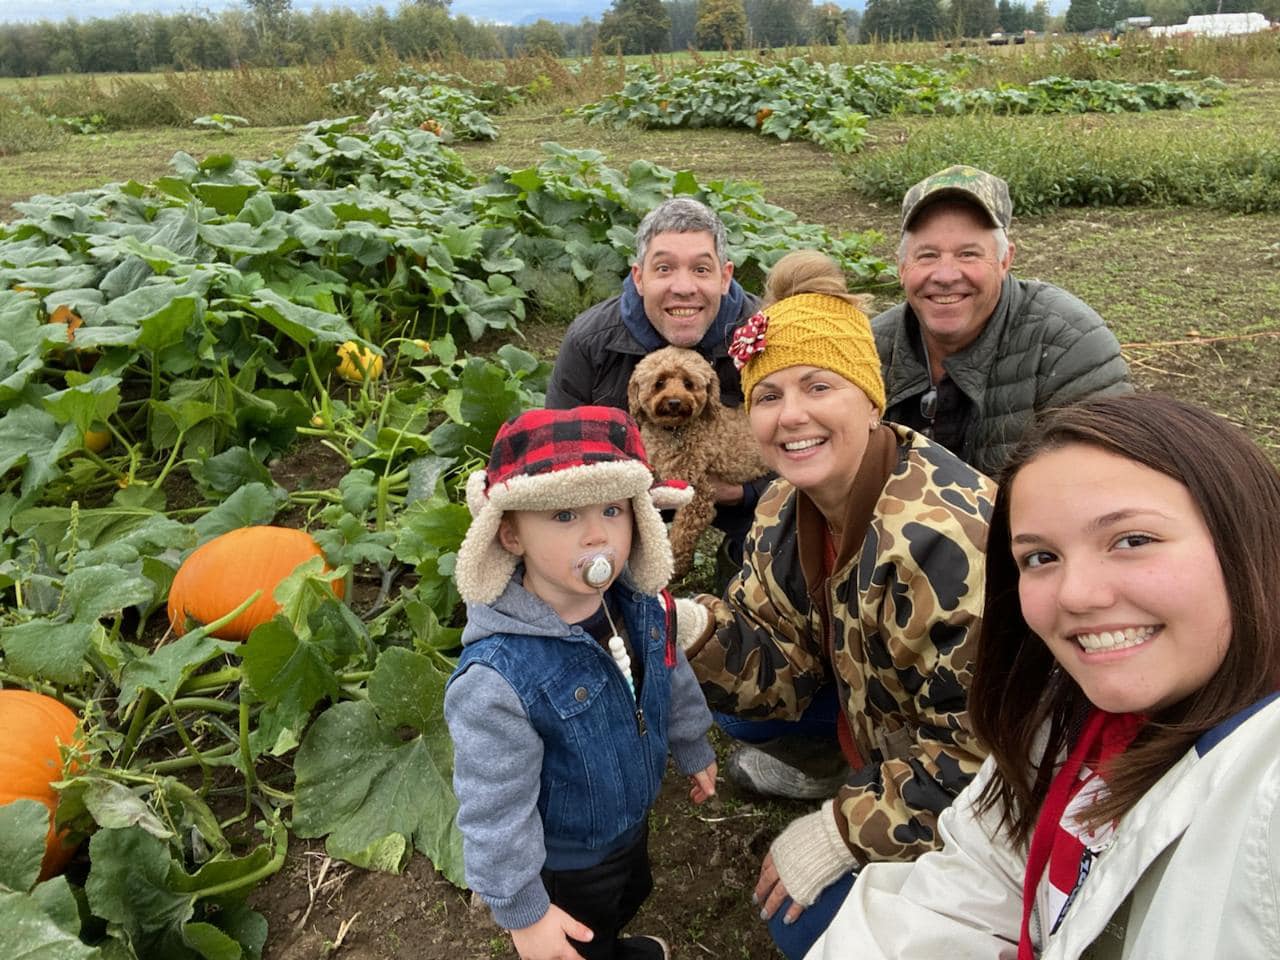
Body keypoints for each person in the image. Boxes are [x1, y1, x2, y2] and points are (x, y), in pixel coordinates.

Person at [807, 393, 1280, 960]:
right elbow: (977, 875)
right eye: (1040, 558)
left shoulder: (1264, 785)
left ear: (1246, 537)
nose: (1077, 595)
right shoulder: (1060, 714)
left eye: (1132, 540)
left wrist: (840, 828)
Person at [673, 250, 997, 960]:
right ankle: (848, 766)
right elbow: (773, 651)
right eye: (767, 396)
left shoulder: (938, 541)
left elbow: (983, 753)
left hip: (992, 787)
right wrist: (684, 627)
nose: (792, 417)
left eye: (819, 386)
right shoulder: (783, 503)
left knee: (804, 926)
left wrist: (843, 831)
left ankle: (869, 801)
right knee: (723, 695)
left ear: (871, 397)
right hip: (881, 716)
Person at [445, 406, 718, 960]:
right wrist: (525, 911)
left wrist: (691, 742)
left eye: (612, 510)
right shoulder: (497, 678)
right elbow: (494, 807)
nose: (598, 534)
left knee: (628, 891)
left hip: (627, 819)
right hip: (565, 858)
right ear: (511, 534)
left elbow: (671, 672)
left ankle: (614, 942)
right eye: (565, 515)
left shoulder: (638, 605)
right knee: (581, 931)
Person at [546, 197, 767, 568]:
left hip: (744, 496)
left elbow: (811, 446)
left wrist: (742, 492)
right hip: (621, 500)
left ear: (726, 277)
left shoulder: (765, 333)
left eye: (701, 269)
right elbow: (558, 450)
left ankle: (744, 572)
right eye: (664, 268)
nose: (683, 287)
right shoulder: (591, 339)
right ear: (639, 277)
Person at [873, 164, 1131, 476]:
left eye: (968, 254)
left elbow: (1101, 482)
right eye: (927, 255)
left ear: (1004, 260)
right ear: (902, 267)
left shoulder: (1070, 345)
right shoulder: (868, 348)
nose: (945, 275)